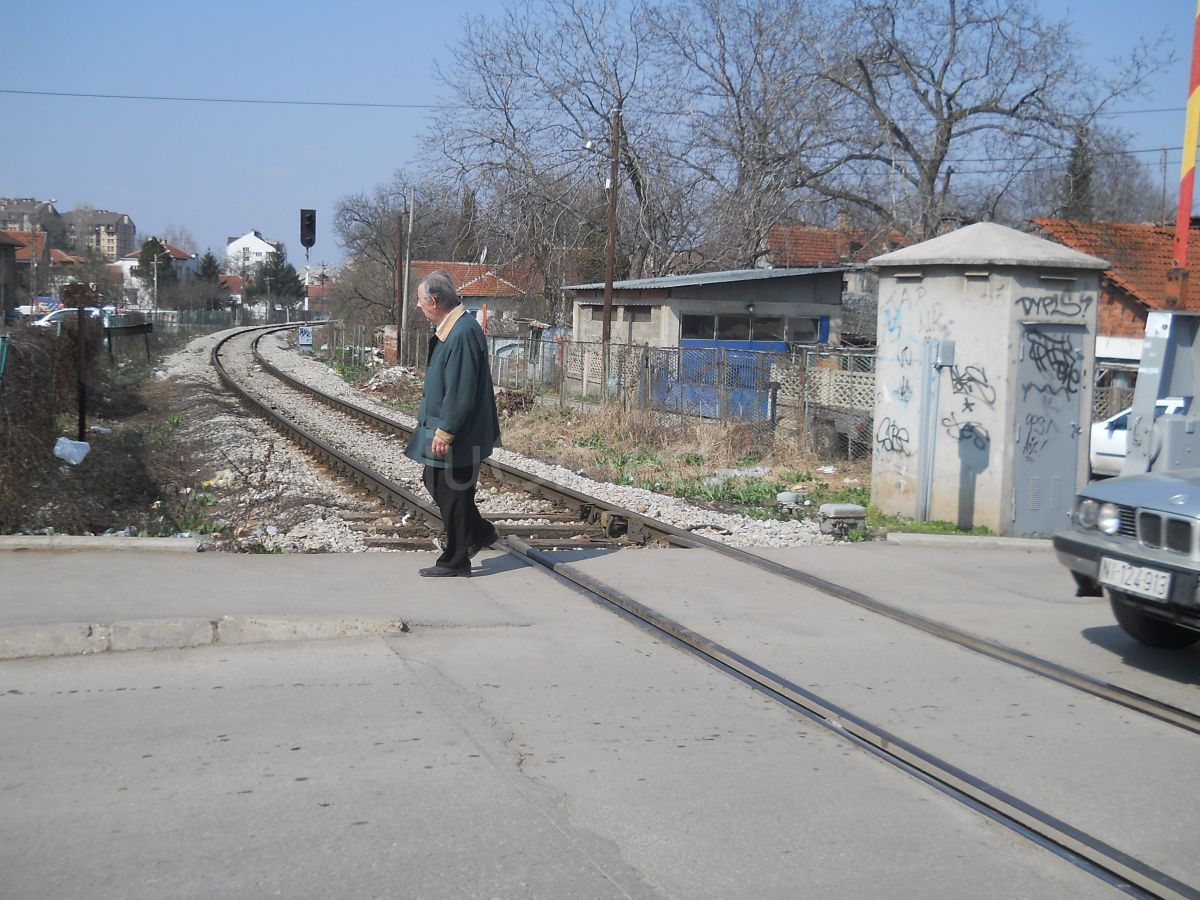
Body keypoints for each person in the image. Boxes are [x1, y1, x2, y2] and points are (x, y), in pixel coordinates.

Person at [404, 269, 502, 576]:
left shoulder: (461, 333)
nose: (418, 306)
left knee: (454, 490)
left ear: (433, 301)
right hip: (451, 427)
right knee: (437, 483)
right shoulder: (454, 328)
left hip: (460, 431)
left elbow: (460, 390)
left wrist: (446, 431)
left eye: (420, 300)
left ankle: (456, 559)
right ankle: (480, 532)